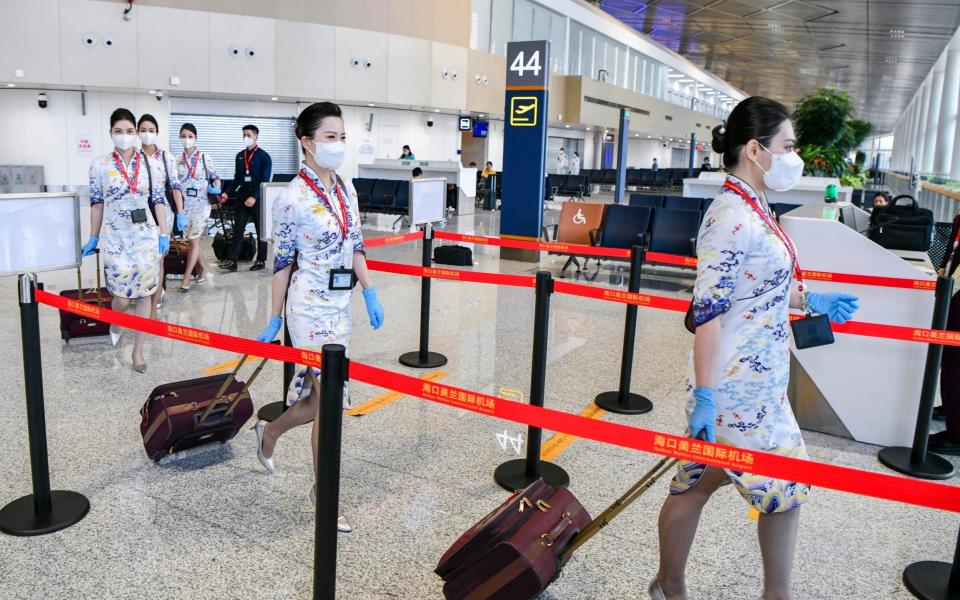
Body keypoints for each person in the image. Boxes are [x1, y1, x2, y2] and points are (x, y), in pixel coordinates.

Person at [649, 97, 860, 600]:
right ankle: (771, 595)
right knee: (785, 489)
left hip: (760, 380)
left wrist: (810, 298)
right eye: (787, 145)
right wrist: (706, 395)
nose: (795, 156)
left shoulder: (754, 204)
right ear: (754, 149)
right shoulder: (730, 216)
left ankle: (668, 584)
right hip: (736, 389)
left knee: (698, 483)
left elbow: (757, 285)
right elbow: (708, 313)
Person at [250, 102, 384, 532]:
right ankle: (324, 493)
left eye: (341, 136)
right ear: (306, 142)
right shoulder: (292, 198)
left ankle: (269, 432)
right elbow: (282, 264)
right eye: (330, 137)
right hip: (308, 309)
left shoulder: (346, 189)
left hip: (340, 307)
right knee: (330, 404)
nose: (338, 144)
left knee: (315, 403)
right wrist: (275, 318)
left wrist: (370, 290)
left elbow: (357, 245)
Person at [80, 108, 168, 373]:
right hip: (116, 238)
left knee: (144, 295)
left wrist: (163, 233)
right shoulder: (100, 165)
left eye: (130, 131)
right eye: (119, 131)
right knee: (121, 297)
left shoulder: (151, 163)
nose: (125, 136)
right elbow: (96, 204)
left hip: (145, 236)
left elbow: (158, 200)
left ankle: (137, 352)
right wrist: (93, 236)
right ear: (110, 133)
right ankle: (116, 320)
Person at [137, 114, 184, 313]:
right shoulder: (133, 157)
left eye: (151, 130)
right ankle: (143, 294)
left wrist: (180, 212)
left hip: (162, 213)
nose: (148, 134)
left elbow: (175, 185)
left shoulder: (166, 158)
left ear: (157, 132)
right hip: (139, 215)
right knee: (143, 258)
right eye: (143, 130)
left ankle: (155, 300)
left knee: (158, 259)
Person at [176, 123, 221, 291]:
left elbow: (216, 177)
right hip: (185, 205)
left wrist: (216, 187)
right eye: (183, 136)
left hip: (202, 205)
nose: (186, 139)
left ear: (195, 137)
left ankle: (186, 278)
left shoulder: (204, 157)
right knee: (192, 240)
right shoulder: (177, 160)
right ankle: (201, 271)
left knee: (194, 241)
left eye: (190, 136)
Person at [220, 124, 271, 272]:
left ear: (256, 136)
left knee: (261, 230)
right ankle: (232, 260)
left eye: (248, 135)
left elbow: (265, 180)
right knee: (238, 229)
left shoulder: (264, 157)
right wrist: (227, 192)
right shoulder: (240, 156)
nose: (246, 138)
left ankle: (261, 260)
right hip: (242, 198)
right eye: (244, 135)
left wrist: (254, 197)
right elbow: (237, 179)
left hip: (258, 198)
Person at [931, 209, 960, 455]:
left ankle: (957, 432)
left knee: (956, 362)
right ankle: (951, 413)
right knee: (949, 360)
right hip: (953, 288)